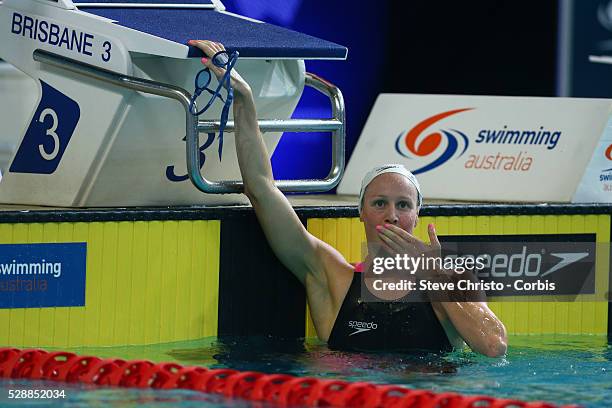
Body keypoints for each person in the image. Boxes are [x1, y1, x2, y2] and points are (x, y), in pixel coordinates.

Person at [189, 40, 508, 357]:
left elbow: (493, 347)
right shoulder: (333, 277)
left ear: (417, 215)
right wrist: (244, 99)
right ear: (362, 213)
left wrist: (434, 276)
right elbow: (261, 189)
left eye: (403, 205)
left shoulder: (451, 281)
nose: (392, 215)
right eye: (379, 203)